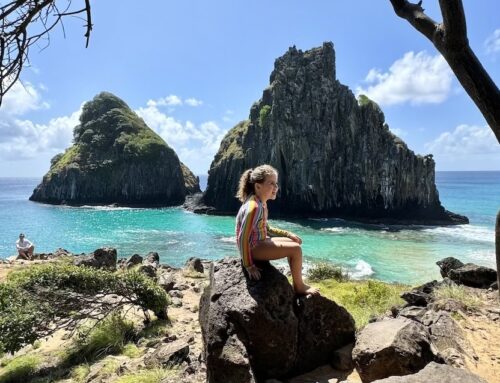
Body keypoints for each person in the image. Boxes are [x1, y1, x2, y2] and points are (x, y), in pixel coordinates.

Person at [235, 164, 319, 295]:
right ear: (258, 186)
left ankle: (297, 282)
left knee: (295, 243)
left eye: (276, 184)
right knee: (296, 250)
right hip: (254, 248)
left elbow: (265, 228)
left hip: (259, 242)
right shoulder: (254, 207)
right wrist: (249, 265)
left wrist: (288, 234)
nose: (276, 187)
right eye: (271, 183)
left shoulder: (260, 203)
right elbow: (242, 237)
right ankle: (299, 286)